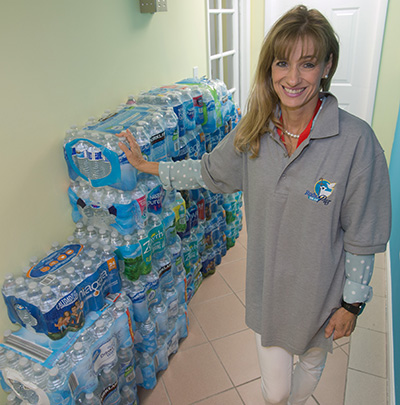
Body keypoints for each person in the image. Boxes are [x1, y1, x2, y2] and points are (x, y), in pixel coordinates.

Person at [117, 5, 391, 404]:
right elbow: (208, 172)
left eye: (308, 63)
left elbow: (364, 231)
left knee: (313, 363)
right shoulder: (254, 134)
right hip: (270, 292)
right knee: (276, 392)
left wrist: (352, 302)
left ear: (327, 66)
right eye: (283, 63)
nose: (293, 78)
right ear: (270, 67)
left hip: (324, 292)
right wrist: (149, 166)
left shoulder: (356, 143)